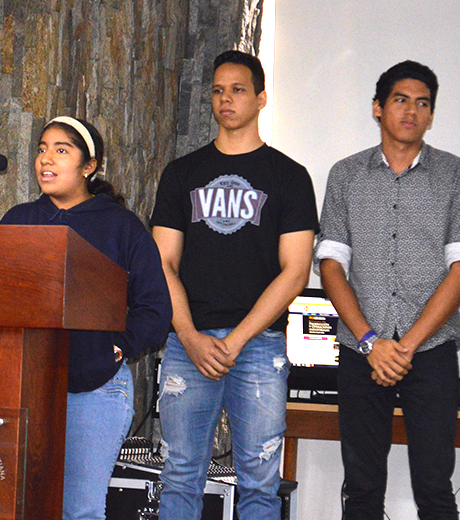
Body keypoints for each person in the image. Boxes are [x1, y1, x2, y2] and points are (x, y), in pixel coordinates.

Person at [150, 50, 319, 519]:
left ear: (261, 98)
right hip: (189, 343)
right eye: (218, 91)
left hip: (261, 346)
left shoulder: (289, 177)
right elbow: (162, 262)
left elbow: (296, 271)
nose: (226, 99)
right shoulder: (181, 173)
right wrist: (189, 336)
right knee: (180, 474)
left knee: (260, 483)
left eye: (238, 89)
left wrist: (237, 340)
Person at [314, 60, 460, 520]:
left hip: (430, 352)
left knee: (434, 486)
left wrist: (404, 347)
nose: (412, 110)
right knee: (363, 488)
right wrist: (371, 342)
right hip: (359, 350)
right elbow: (330, 266)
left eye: (423, 103)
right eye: (400, 100)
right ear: (378, 108)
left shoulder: (457, 175)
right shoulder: (345, 175)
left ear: (431, 115)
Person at [0, 116, 172, 520]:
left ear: (89, 166)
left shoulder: (120, 227)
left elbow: (155, 308)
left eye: (62, 150)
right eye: (43, 148)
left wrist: (120, 347)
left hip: (93, 392)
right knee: (19, 508)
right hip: (23, 390)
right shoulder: (18, 220)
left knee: (80, 511)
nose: (47, 159)